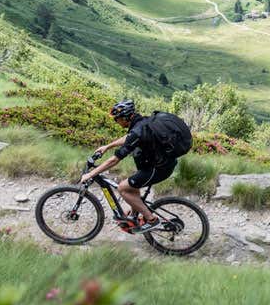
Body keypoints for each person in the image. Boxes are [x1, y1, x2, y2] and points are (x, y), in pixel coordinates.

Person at [79, 100, 192, 233]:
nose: (117, 122)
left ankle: (151, 220)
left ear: (125, 117)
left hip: (158, 169)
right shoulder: (140, 123)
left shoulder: (138, 131)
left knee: (122, 188)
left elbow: (114, 160)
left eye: (117, 119)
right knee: (132, 184)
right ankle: (134, 216)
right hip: (158, 164)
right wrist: (107, 146)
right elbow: (129, 137)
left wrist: (90, 174)